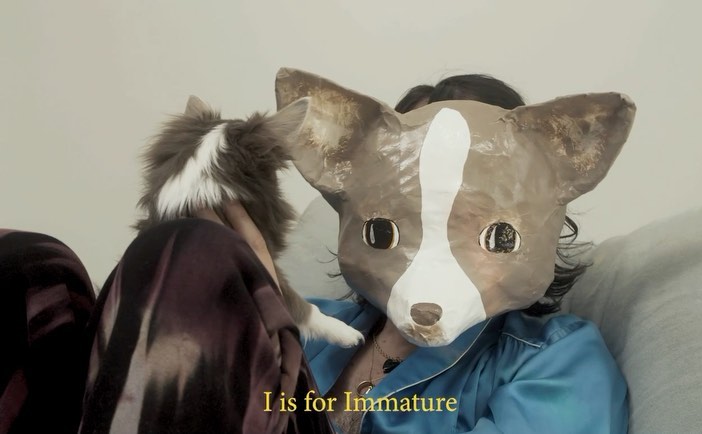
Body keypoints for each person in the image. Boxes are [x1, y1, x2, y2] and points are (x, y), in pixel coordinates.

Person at [0, 74, 627, 434]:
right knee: (31, 267)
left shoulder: (556, 361)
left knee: (196, 256)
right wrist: (246, 298)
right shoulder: (324, 326)